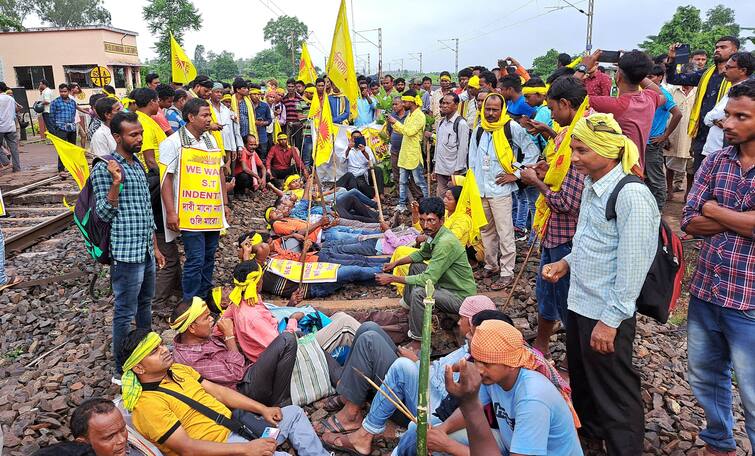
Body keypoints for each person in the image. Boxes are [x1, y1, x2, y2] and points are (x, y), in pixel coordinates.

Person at [541, 112, 659, 455]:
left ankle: (625, 448)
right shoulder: (594, 186)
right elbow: (591, 242)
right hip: (581, 303)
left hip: (605, 312)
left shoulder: (630, 195)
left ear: (607, 151)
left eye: (581, 151)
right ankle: (593, 437)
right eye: (574, 149)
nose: (574, 158)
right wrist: (565, 263)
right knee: (585, 379)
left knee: (614, 389)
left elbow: (633, 265)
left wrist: (610, 322)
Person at [321, 296, 497, 454]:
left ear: (474, 323)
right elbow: (440, 369)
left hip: (429, 404)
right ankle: (349, 396)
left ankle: (354, 420)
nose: (458, 323)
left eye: (462, 318)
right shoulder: (471, 345)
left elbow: (450, 400)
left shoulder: (483, 361)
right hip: (424, 381)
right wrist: (420, 361)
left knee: (373, 344)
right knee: (369, 327)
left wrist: (417, 364)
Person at [681, 79, 755, 456]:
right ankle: (719, 440)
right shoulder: (716, 160)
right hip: (707, 290)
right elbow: (690, 221)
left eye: (740, 117)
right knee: (705, 374)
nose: (727, 123)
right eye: (727, 114)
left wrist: (714, 209)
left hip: (748, 300)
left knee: (753, 391)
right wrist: (738, 218)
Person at [119, 328, 330, 456]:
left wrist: (263, 409)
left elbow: (219, 392)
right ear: (138, 368)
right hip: (218, 447)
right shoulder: (147, 405)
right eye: (154, 351)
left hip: (237, 427)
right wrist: (247, 449)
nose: (165, 350)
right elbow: (187, 449)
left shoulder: (177, 369)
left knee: (292, 413)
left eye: (161, 345)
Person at [90, 111, 165, 380]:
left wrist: (155, 247)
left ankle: (146, 354)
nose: (140, 138)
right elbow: (102, 214)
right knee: (124, 312)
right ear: (117, 136)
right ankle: (122, 368)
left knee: (145, 304)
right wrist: (116, 183)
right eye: (133, 134)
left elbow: (145, 211)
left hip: (144, 248)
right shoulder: (105, 167)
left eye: (141, 133)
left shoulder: (136, 164)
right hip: (125, 252)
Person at [437, 320, 583, 456]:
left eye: (487, 363)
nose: (479, 369)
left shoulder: (532, 398)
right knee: (439, 437)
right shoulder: (492, 377)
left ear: (512, 363)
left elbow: (473, 410)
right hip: (511, 443)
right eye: (477, 360)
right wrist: (442, 429)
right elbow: (476, 406)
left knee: (447, 445)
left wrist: (448, 446)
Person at [520, 76, 587, 360]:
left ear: (565, 104)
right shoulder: (566, 132)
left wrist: (536, 181)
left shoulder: (580, 140)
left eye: (553, 109)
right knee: (546, 292)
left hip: (567, 236)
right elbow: (558, 171)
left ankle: (577, 363)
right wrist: (546, 168)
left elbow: (567, 202)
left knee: (568, 301)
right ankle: (542, 348)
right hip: (552, 232)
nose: (551, 115)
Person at [160, 98, 231, 303]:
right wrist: (172, 212)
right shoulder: (173, 143)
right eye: (205, 115)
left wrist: (224, 203)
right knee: (196, 258)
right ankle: (190, 302)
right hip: (189, 212)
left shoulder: (210, 141)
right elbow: (167, 179)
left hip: (210, 211)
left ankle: (204, 295)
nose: (209, 119)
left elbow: (219, 173)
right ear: (191, 117)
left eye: (210, 115)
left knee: (209, 256)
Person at [376, 197, 477, 341]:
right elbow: (422, 254)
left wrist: (392, 278)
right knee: (416, 266)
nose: (425, 225)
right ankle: (406, 310)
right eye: (422, 220)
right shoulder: (433, 235)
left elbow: (427, 279)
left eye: (431, 220)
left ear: (441, 220)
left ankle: (418, 339)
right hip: (446, 287)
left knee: (420, 293)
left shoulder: (445, 242)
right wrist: (396, 263)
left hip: (460, 297)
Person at [170, 294, 297, 407]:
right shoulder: (191, 358)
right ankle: (281, 403)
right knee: (287, 340)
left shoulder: (197, 337)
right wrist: (229, 335)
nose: (211, 319)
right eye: (206, 318)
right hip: (243, 389)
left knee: (292, 339)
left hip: (246, 373)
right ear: (192, 327)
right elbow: (237, 374)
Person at [469, 93, 539, 290]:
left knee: (505, 232)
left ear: (502, 110)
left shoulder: (511, 127)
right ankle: (491, 265)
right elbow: (472, 159)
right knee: (486, 230)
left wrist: (516, 174)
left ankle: (507, 272)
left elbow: (532, 151)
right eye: (487, 109)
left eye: (494, 109)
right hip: (481, 189)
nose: (490, 113)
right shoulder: (480, 129)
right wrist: (472, 185)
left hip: (500, 190)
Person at [576, 50, 665, 168]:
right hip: (637, 167)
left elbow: (568, 93)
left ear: (618, 76)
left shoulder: (617, 105)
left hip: (617, 170)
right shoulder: (649, 99)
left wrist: (583, 67)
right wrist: (636, 70)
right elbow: (662, 95)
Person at [666, 36, 740, 174]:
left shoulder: (743, 79)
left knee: (722, 176)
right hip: (702, 135)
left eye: (723, 47)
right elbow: (673, 78)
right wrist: (673, 59)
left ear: (735, 50)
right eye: (716, 47)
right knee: (700, 175)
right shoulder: (706, 74)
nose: (717, 50)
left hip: (726, 135)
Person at [701, 52, 754, 160]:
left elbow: (710, 118)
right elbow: (708, 118)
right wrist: (715, 120)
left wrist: (715, 119)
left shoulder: (746, 94)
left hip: (725, 150)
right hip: (717, 150)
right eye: (727, 115)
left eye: (729, 67)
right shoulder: (731, 90)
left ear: (743, 70)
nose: (724, 70)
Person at [645, 64, 682, 210]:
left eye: (651, 77)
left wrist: (664, 136)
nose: (648, 80)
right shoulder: (645, 92)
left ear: (660, 77)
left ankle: (658, 209)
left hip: (652, 142)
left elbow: (678, 114)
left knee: (656, 178)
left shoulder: (663, 95)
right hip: (643, 142)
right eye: (646, 77)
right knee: (645, 176)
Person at [387, 89, 429, 212]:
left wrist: (395, 122)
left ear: (411, 102)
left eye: (404, 102)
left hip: (413, 153)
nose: (403, 104)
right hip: (405, 153)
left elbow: (410, 132)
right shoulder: (410, 114)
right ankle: (402, 204)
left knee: (419, 181)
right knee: (402, 181)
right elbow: (403, 130)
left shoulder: (419, 116)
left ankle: (427, 204)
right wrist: (393, 124)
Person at [71, 397, 151, 456]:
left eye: (123, 429)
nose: (122, 440)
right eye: (110, 437)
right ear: (83, 443)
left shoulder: (133, 445)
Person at [663, 79, 697, 202]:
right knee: (670, 165)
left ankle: (688, 193)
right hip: (673, 133)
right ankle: (670, 191)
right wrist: (665, 134)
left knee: (691, 167)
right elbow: (665, 111)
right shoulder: (671, 90)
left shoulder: (698, 91)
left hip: (691, 134)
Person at [434, 93, 470, 197]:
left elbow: (463, 149)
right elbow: (438, 146)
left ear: (456, 105)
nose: (444, 106)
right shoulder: (441, 123)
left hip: (453, 171)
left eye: (448, 103)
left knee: (453, 200)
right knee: (441, 199)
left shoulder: (461, 124)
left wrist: (457, 171)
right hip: (441, 169)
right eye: (443, 103)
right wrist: (435, 167)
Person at [336, 130, 384, 198]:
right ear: (351, 139)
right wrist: (348, 149)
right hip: (355, 175)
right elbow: (342, 162)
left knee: (378, 170)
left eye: (358, 137)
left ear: (362, 138)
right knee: (361, 184)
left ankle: (381, 194)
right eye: (354, 137)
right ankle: (374, 195)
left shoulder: (366, 149)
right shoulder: (348, 149)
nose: (356, 139)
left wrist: (364, 151)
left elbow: (372, 162)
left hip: (365, 172)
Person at [49, 83, 79, 173]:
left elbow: (73, 114)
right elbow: (51, 116)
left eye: (65, 91)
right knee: (62, 149)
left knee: (72, 148)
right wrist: (55, 128)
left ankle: (72, 167)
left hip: (71, 128)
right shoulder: (55, 102)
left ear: (68, 92)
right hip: (60, 128)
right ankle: (61, 168)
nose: (63, 93)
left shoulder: (72, 102)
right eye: (61, 91)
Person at [386, 96, 408, 189]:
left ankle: (413, 196)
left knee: (407, 173)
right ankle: (399, 194)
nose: (394, 106)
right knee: (396, 173)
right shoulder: (392, 116)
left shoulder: (409, 115)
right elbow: (389, 131)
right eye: (393, 104)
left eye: (396, 104)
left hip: (406, 150)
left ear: (403, 104)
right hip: (394, 149)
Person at [0, 82, 22, 171]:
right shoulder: (11, 98)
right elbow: (17, 109)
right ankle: (17, 168)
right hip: (11, 126)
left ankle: (5, 161)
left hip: (1, 127)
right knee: (14, 148)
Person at [251, 86, 273, 155]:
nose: (257, 96)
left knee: (263, 154)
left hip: (262, 135)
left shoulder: (265, 106)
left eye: (258, 94)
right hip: (251, 136)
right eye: (254, 94)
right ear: (250, 95)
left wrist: (262, 123)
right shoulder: (247, 106)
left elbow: (269, 120)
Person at [282, 78, 303, 150]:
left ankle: (298, 160)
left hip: (298, 125)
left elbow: (303, 113)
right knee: (288, 144)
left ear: (295, 87)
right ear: (286, 87)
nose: (290, 88)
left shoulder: (300, 99)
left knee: (298, 144)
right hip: (287, 125)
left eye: (292, 86)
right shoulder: (284, 99)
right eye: (289, 86)